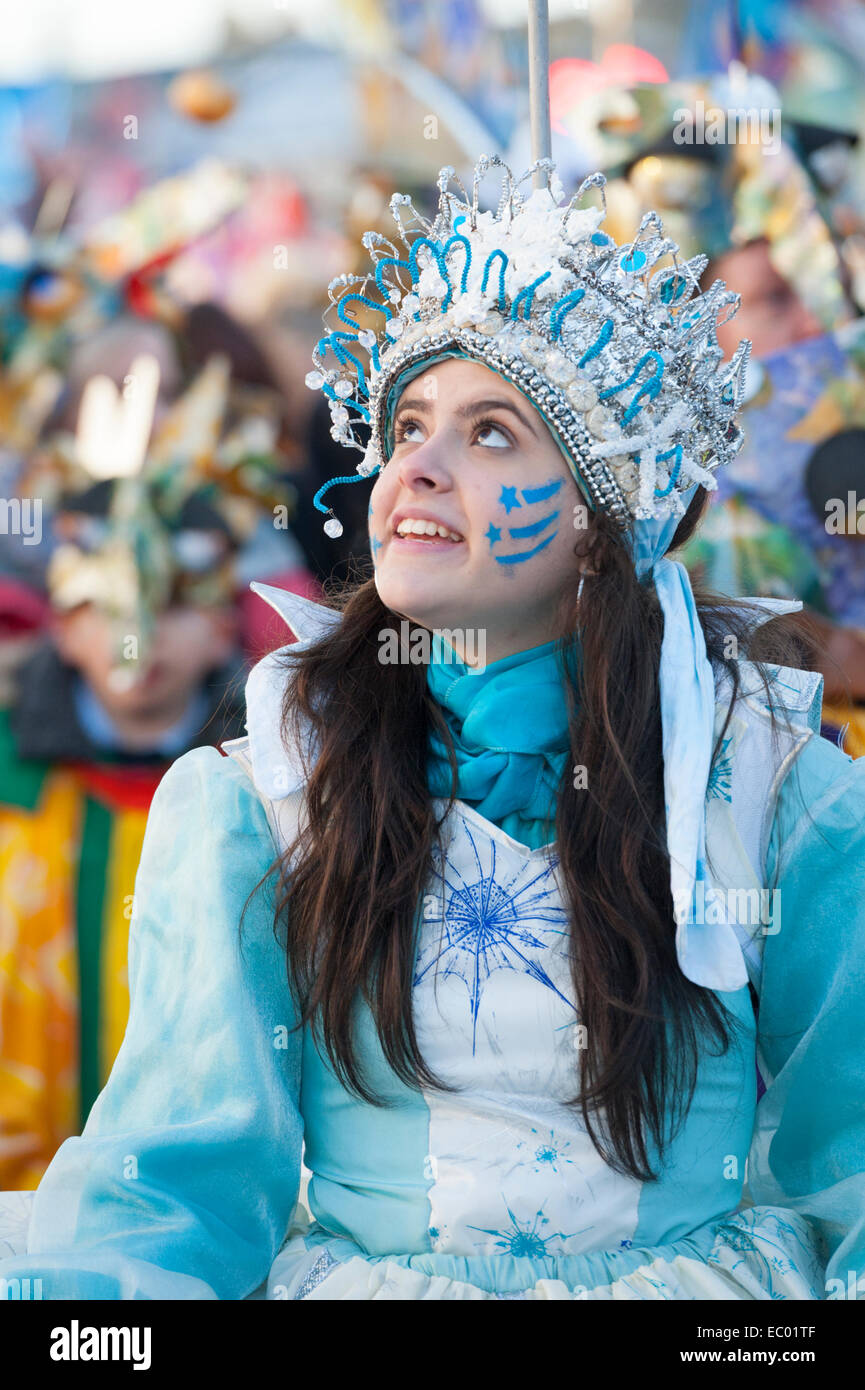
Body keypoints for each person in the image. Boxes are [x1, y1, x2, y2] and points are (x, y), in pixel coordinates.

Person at [1, 157, 863, 1301]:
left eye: (493, 433)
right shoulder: (259, 798)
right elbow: (172, 1183)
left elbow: (850, 1162)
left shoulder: (769, 785)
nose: (417, 466)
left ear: (605, 528)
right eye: (408, 423)